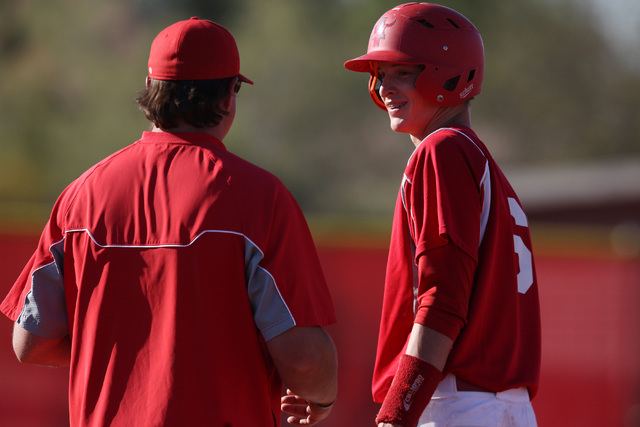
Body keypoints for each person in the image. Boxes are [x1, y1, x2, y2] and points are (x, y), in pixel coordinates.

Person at [1, 17, 338, 427]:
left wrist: (127, 347)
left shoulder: (80, 196)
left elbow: (31, 341)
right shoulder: (257, 197)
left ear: (151, 86)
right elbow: (304, 358)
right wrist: (321, 400)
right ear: (230, 95)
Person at [344, 3, 541, 426]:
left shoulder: (442, 150)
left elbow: (441, 301)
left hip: (455, 404)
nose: (385, 87)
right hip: (504, 406)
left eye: (404, 71)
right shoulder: (483, 164)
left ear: (451, 73)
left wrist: (397, 413)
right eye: (381, 75)